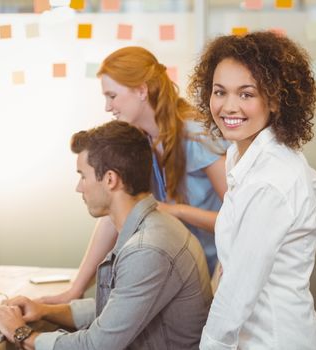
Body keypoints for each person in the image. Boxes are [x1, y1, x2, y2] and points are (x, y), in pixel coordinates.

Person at [0, 120, 213, 350]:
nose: (79, 187)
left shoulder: (146, 250)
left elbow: (96, 345)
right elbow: (116, 310)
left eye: (83, 176)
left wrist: (21, 333)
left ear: (109, 179)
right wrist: (46, 310)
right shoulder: (159, 225)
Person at [187, 31, 316, 349]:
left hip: (271, 339)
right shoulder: (249, 153)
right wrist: (292, 246)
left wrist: (287, 254)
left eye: (246, 94)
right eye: (220, 92)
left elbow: (237, 292)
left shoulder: (268, 180)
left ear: (274, 99)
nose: (229, 106)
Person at [41, 46, 228, 304]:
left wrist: (176, 210)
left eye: (112, 95)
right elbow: (115, 213)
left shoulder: (196, 135)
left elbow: (240, 219)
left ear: (141, 91)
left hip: (218, 274)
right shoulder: (138, 140)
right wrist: (75, 289)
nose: (107, 107)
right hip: (178, 269)